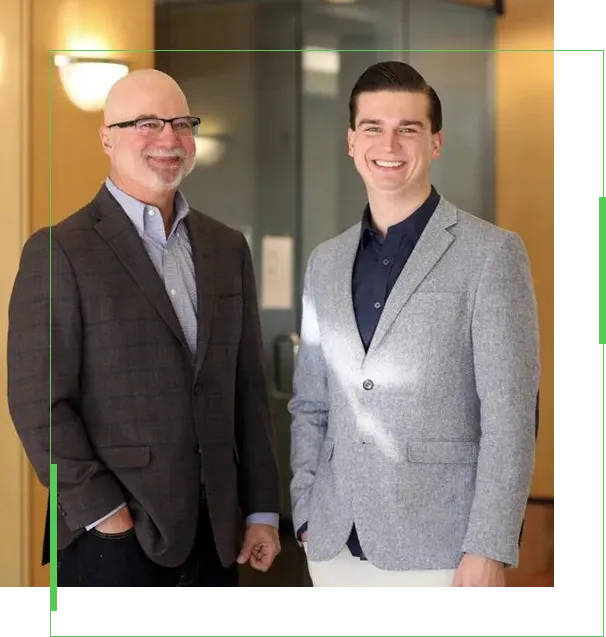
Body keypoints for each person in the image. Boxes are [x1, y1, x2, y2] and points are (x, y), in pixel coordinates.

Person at [7, 69, 281, 588]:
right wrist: (105, 514)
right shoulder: (59, 250)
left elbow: (246, 388)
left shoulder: (227, 248)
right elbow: (39, 401)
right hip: (111, 539)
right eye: (148, 123)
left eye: (181, 123)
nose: (169, 139)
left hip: (217, 537)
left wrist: (262, 509)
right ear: (106, 137)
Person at [289, 61, 540, 589]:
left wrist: (489, 545)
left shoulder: (491, 254)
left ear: (436, 142)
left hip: (443, 552)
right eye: (374, 128)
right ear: (352, 142)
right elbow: (312, 403)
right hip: (333, 547)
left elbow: (511, 413)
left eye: (409, 129)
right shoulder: (326, 262)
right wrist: (306, 509)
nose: (390, 143)